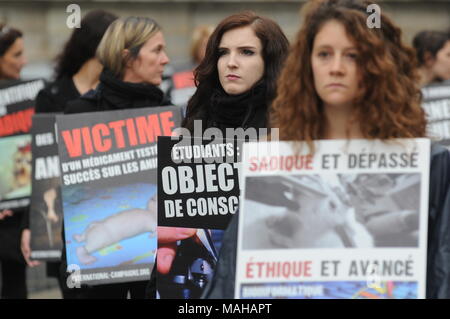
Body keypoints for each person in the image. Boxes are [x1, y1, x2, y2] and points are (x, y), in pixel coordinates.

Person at [203, 0, 450, 299]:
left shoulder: (431, 164)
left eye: (353, 55)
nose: (335, 68)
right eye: (324, 54)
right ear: (306, 65)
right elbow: (229, 287)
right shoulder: (271, 159)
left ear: (379, 66)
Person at [155, 11, 289, 298]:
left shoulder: (292, 126)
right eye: (223, 52)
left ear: (271, 62)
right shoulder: (195, 118)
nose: (231, 62)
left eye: (247, 52)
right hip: (203, 283)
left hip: (269, 279)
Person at [61, 16, 170, 299]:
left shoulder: (172, 116)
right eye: (157, 50)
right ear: (128, 57)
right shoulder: (81, 114)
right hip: (100, 275)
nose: (166, 59)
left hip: (156, 271)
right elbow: (66, 194)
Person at [19, 10, 118, 299]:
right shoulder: (52, 95)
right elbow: (43, 163)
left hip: (106, 216)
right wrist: (31, 225)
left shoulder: (116, 94)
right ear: (98, 48)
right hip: (64, 223)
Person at [0, 23, 28, 299]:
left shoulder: (25, 97)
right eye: (17, 55)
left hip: (12, 214)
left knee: (14, 283)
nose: (24, 61)